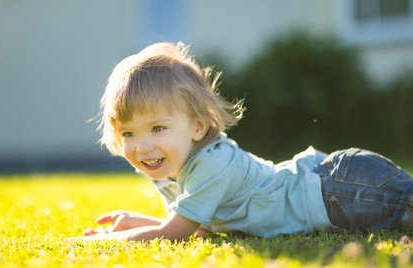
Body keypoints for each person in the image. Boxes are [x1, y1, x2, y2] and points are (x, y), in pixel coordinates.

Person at [72, 42, 413, 242]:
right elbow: (198, 230)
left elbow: (177, 230)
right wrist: (137, 220)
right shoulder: (168, 169)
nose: (142, 146)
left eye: (157, 128)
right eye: (129, 133)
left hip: (338, 189)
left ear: (197, 127)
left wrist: (112, 240)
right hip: (333, 192)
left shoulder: (210, 164)